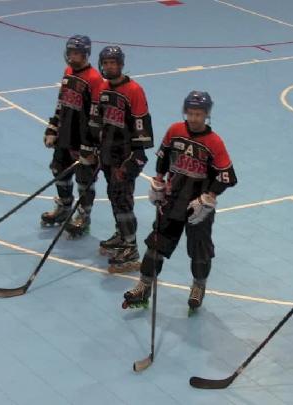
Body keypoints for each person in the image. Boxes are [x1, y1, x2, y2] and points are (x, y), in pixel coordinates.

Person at [122, 90, 237, 313]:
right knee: (156, 243)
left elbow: (226, 176)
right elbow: (163, 157)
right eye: (190, 113)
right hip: (172, 200)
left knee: (199, 248)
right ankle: (144, 286)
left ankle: (198, 286)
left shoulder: (214, 142)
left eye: (198, 114)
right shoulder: (175, 131)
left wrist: (209, 196)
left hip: (198, 205)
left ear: (207, 114)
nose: (194, 118)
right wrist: (158, 181)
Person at [70, 45, 153, 273]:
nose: (109, 67)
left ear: (121, 64)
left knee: (123, 200)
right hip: (106, 154)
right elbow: (96, 120)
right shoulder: (102, 89)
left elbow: (141, 126)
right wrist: (90, 147)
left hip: (125, 157)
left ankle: (131, 247)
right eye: (105, 63)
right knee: (114, 196)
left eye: (113, 63)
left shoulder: (134, 90)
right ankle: (121, 235)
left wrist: (133, 159)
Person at [40, 35, 103, 225]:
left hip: (83, 139)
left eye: (77, 53)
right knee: (59, 170)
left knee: (84, 180)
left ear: (85, 54)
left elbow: (97, 116)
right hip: (65, 135)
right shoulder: (68, 72)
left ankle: (83, 216)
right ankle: (64, 207)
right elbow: (61, 103)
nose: (72, 57)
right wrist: (52, 128)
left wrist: (90, 146)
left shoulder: (94, 79)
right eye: (71, 53)